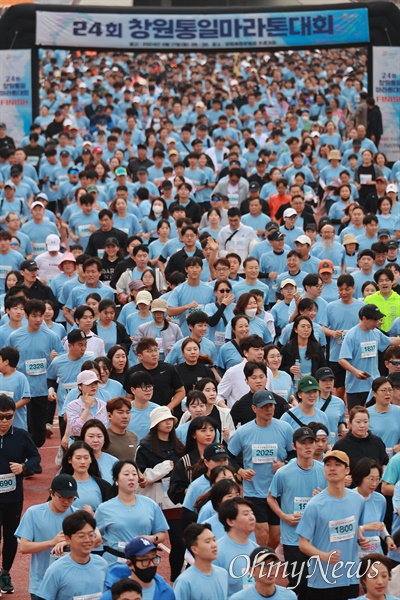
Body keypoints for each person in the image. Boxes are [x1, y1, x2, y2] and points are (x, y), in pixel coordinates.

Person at [297, 450, 369, 600]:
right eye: (328, 464)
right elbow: (303, 544)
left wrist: (361, 538)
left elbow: (356, 528)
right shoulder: (315, 505)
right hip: (322, 580)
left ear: (347, 470)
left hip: (349, 577)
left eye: (337, 465)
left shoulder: (358, 500)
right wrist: (324, 556)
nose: (331, 468)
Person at [228, 390, 294, 547]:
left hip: (277, 490)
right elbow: (229, 456)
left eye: (271, 406)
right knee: (262, 530)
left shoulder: (285, 429)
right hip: (254, 491)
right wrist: (240, 471)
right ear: (254, 409)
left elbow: (293, 455)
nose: (269, 409)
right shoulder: (243, 432)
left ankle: (265, 555)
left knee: (276, 535)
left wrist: (284, 465)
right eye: (264, 406)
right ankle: (262, 562)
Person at [267, 426, 327, 600]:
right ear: (294, 446)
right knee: (299, 583)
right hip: (293, 538)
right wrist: (284, 516)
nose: (308, 446)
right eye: (303, 443)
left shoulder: (324, 470)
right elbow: (270, 498)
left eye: (311, 442)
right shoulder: (283, 473)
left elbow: (333, 500)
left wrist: (321, 498)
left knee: (317, 583)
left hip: (317, 538)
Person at [135, 405, 186, 581]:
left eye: (170, 420)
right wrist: (163, 468)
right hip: (153, 501)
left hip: (174, 500)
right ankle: (146, 578)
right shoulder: (144, 447)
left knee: (180, 542)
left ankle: (175, 578)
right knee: (148, 544)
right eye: (163, 420)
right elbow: (141, 478)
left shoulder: (178, 445)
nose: (168, 423)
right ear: (155, 424)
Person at [8, 299, 63, 450]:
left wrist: (56, 358)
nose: (38, 319)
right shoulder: (15, 336)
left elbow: (62, 357)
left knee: (39, 429)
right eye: (34, 316)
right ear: (26, 316)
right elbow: (9, 360)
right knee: (25, 426)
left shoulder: (51, 336)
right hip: (22, 389)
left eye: (41, 315)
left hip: (42, 389)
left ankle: (32, 452)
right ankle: (30, 459)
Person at [14, 474, 79, 599]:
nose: (66, 502)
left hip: (71, 584)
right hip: (41, 584)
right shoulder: (34, 513)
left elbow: (94, 540)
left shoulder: (77, 515)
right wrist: (52, 542)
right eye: (62, 497)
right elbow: (24, 547)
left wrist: (69, 542)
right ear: (51, 493)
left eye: (71, 498)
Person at [94, 460, 169, 568]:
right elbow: (95, 534)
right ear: (116, 480)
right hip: (114, 565)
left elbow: (161, 534)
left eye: (134, 474)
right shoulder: (104, 509)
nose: (131, 478)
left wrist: (151, 539)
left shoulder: (150, 504)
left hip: (142, 564)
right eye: (126, 474)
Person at [0, 394, 40, 594]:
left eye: (8, 417)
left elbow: (36, 457)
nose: (4, 421)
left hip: (13, 498)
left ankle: (5, 573)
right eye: (0, 417)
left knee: (10, 537)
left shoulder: (22, 435)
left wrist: (23, 467)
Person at [339, 304, 400, 410]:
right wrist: (355, 371)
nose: (377, 322)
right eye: (374, 320)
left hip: (374, 385)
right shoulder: (351, 335)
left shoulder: (376, 332)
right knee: (357, 418)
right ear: (364, 318)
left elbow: (389, 341)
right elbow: (342, 359)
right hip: (356, 387)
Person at [36, 510, 108, 600]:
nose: (87, 540)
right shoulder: (56, 570)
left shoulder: (102, 564)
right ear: (67, 539)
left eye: (91, 535)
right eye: (81, 536)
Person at [100, 537, 174, 600]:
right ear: (130, 564)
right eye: (145, 560)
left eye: (154, 558)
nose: (151, 564)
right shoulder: (110, 596)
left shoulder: (167, 592)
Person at [124, 338, 185, 414]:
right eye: (149, 351)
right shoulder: (132, 372)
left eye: (156, 350)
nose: (154, 354)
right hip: (141, 413)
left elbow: (181, 391)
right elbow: (129, 397)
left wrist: (168, 407)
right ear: (140, 356)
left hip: (164, 412)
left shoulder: (169, 369)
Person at [168, 416, 218, 506]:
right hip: (195, 507)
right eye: (203, 430)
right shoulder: (185, 461)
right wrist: (187, 491)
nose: (209, 434)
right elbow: (174, 489)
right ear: (194, 435)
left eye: (211, 430)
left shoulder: (221, 456)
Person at [214, 498, 257, 597]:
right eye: (246, 514)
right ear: (230, 521)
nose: (252, 518)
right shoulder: (217, 552)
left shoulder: (257, 550)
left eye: (252, 513)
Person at [352, 458, 395, 556]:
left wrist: (387, 537)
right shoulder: (349, 499)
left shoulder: (380, 500)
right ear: (360, 477)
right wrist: (365, 528)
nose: (375, 484)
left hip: (375, 553)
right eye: (371, 479)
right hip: (355, 554)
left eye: (378, 479)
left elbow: (379, 524)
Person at [173, 523, 228, 600]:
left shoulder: (223, 574)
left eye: (214, 540)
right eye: (208, 541)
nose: (214, 545)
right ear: (195, 549)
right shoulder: (184, 582)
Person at [60, 441, 113, 513]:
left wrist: (94, 515)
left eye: (86, 458)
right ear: (70, 460)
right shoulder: (61, 485)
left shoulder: (103, 486)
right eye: (78, 458)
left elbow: (111, 513)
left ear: (91, 459)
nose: (82, 462)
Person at [333, 406, 388, 474]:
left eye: (365, 422)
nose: (362, 425)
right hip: (351, 484)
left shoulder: (377, 442)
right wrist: (344, 478)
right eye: (358, 422)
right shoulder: (341, 445)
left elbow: (385, 463)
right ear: (350, 423)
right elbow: (335, 468)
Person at [229, 545, 297, 600]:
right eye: (263, 565)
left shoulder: (290, 596)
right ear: (251, 571)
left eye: (273, 564)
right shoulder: (238, 598)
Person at [280, 316, 326, 380]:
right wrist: (289, 369)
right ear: (295, 329)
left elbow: (322, 367)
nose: (306, 329)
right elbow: (280, 367)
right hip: (294, 383)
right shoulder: (287, 348)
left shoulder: (317, 347)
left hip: (312, 383)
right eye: (303, 326)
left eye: (309, 327)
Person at [367, 376, 400, 459]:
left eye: (390, 390)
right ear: (374, 393)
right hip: (373, 459)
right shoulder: (366, 414)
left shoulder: (398, 411)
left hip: (395, 460)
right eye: (383, 390)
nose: (388, 393)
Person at [0, 345, 30, 431]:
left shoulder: (21, 378)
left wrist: (10, 409)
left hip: (17, 424)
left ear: (6, 362)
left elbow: (26, 398)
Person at [80, 419, 118, 486]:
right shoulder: (75, 461)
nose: (95, 440)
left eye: (99, 436)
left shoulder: (114, 462)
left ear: (105, 439)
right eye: (91, 436)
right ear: (83, 438)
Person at [106, 396, 138, 461]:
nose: (125, 416)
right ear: (109, 415)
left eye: (128, 412)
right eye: (120, 412)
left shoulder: (133, 437)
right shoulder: (103, 437)